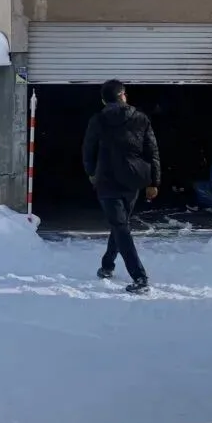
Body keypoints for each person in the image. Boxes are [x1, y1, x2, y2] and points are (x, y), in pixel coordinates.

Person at [82, 79, 161, 294]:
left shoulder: (98, 120)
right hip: (133, 180)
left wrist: (91, 172)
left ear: (103, 100)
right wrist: (154, 181)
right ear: (123, 95)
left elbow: (88, 150)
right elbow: (152, 151)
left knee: (120, 226)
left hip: (107, 180)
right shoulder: (141, 118)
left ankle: (139, 277)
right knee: (120, 224)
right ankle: (107, 264)